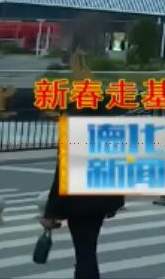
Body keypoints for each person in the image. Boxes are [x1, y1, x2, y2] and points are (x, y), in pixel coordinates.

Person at [41, 108, 126, 279]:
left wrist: (51, 213)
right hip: (100, 201)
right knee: (88, 248)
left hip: (78, 203)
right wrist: (115, 202)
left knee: (84, 252)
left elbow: (61, 177)